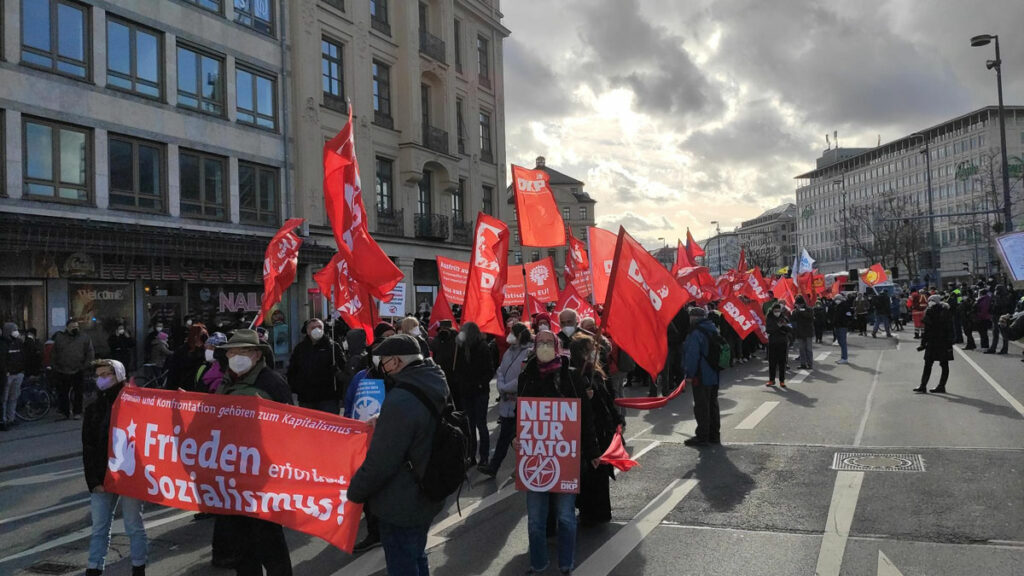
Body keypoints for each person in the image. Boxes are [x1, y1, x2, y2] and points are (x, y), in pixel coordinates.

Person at [348, 334, 451, 576]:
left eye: (383, 360)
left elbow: (381, 462)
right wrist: (386, 421)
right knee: (417, 556)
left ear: (395, 361)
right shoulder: (433, 379)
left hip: (402, 501)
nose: (380, 366)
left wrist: (355, 492)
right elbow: (418, 425)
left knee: (403, 565)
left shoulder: (400, 399)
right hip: (428, 488)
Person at [517, 330, 599, 574]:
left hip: (565, 458)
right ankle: (539, 564)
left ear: (557, 346)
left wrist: (593, 450)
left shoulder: (571, 376)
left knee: (565, 517)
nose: (543, 346)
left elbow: (586, 417)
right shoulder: (526, 375)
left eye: (547, 342)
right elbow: (519, 416)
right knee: (534, 521)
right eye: (539, 342)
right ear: (534, 346)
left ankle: (565, 565)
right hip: (535, 457)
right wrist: (515, 438)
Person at [216, 330, 292, 576]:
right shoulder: (225, 383)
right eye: (231, 351)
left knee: (270, 546)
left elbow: (290, 429)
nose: (234, 356)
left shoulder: (272, 383)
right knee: (242, 550)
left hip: (262, 478)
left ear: (257, 354)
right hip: (232, 479)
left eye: (242, 351)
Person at [83, 359, 147, 576]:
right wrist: (94, 481)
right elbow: (89, 447)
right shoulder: (93, 409)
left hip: (129, 476)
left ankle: (139, 567)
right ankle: (94, 568)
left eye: (106, 374)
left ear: (118, 375)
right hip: (102, 477)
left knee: (133, 525)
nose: (101, 379)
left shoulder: (136, 403)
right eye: (98, 374)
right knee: (99, 528)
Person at [571, 333, 623, 527]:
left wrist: (617, 419)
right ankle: (590, 511)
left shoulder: (597, 372)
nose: (595, 352)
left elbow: (607, 399)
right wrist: (585, 397)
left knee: (600, 471)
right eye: (591, 349)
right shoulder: (577, 374)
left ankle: (599, 511)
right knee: (592, 471)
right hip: (591, 430)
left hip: (602, 428)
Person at [480, 322, 532, 477]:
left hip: (519, 402)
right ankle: (493, 467)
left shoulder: (529, 352)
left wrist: (506, 387)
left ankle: (522, 468)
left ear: (520, 335)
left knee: (520, 439)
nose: (509, 335)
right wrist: (501, 386)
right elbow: (501, 370)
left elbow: (522, 377)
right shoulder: (509, 351)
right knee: (504, 437)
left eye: (513, 332)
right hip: (506, 401)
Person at [453, 322, 495, 468]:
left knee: (480, 424)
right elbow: (457, 369)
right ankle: (471, 456)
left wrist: (480, 383)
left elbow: (489, 370)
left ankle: (484, 456)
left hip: (479, 392)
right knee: (470, 426)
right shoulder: (460, 347)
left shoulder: (482, 347)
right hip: (466, 392)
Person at [287, 318, 346, 414]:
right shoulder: (300, 348)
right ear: (307, 331)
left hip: (328, 397)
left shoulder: (333, 347)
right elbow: (292, 370)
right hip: (306, 398)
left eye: (319, 327)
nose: (316, 329)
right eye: (313, 327)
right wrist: (296, 387)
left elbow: (343, 369)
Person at [682, 306, 721, 446]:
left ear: (693, 318)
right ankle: (714, 434)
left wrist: (689, 374)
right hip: (714, 373)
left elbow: (692, 355)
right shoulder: (713, 328)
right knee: (713, 404)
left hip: (701, 374)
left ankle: (702, 436)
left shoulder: (696, 332)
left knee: (701, 406)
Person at [52, 319, 95, 419]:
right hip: (62, 369)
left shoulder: (84, 337)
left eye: (76, 326)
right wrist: (55, 366)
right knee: (63, 392)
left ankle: (77, 412)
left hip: (78, 369)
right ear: (67, 328)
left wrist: (85, 365)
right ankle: (64, 412)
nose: (75, 328)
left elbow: (90, 352)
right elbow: (54, 353)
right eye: (72, 326)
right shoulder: (60, 338)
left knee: (78, 392)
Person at [914, 295, 953, 394]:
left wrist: (923, 344)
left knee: (928, 364)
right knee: (944, 365)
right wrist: (950, 342)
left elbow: (926, 331)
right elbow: (950, 328)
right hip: (944, 342)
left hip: (932, 342)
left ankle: (923, 386)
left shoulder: (929, 311)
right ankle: (941, 386)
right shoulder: (947, 311)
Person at [166, 323, 208, 391]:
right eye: (199, 336)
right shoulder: (182, 351)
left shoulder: (206, 351)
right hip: (183, 388)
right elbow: (173, 373)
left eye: (203, 336)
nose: (201, 339)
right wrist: (174, 388)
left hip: (199, 389)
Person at [2, 323, 26, 430]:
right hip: (8, 375)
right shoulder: (3, 344)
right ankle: (4, 420)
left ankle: (11, 418)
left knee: (14, 397)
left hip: (18, 373)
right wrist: (5, 371)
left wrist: (22, 370)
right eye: (13, 330)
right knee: (4, 399)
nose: (16, 332)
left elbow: (23, 356)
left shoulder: (19, 342)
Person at [765, 304, 792, 387]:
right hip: (773, 342)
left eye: (778, 311)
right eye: (775, 311)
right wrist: (778, 326)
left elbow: (790, 328)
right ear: (773, 311)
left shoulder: (784, 317)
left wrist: (784, 326)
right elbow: (769, 330)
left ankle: (782, 380)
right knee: (772, 362)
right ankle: (771, 380)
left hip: (782, 342)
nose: (777, 313)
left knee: (782, 362)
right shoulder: (769, 318)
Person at [985, 285, 1014, 354]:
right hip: (996, 316)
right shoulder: (996, 296)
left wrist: (995, 297)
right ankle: (993, 348)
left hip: (1002, 316)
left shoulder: (1006, 296)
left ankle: (1004, 349)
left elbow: (1001, 304)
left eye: (997, 289)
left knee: (1004, 334)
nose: (996, 291)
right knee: (995, 333)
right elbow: (992, 304)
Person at [792, 297, 815, 370]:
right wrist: (796, 311)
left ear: (802, 304)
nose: (798, 306)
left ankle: (810, 364)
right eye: (797, 305)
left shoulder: (809, 309)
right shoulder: (796, 311)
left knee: (808, 349)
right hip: (799, 332)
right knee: (801, 349)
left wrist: (802, 311)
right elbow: (793, 318)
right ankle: (803, 364)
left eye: (799, 304)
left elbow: (810, 317)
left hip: (808, 332)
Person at [832, 294, 852, 364]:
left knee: (843, 342)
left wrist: (845, 322)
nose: (836, 300)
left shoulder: (845, 306)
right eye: (836, 299)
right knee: (840, 342)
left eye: (838, 299)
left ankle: (844, 358)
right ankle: (843, 357)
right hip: (837, 326)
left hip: (842, 326)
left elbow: (849, 316)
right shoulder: (837, 306)